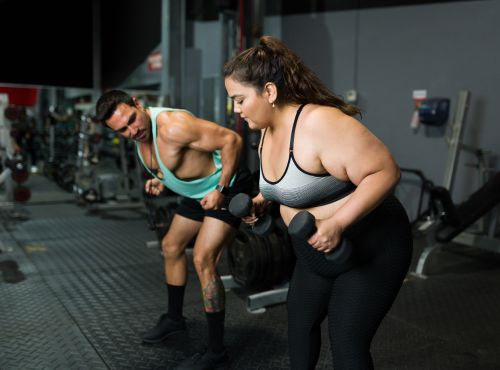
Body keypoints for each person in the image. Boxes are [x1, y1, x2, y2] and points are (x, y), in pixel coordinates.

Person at [223, 36, 413, 370]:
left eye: (239, 99)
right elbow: (287, 183)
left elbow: (385, 171)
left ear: (269, 92)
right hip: (314, 251)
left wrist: (337, 223)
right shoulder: (266, 129)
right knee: (299, 327)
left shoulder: (321, 123)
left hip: (371, 247)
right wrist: (261, 200)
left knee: (347, 343)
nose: (235, 110)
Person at [95, 90, 252, 370]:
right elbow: (176, 163)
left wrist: (221, 189)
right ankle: (174, 320)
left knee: (203, 259)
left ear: (137, 104)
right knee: (170, 246)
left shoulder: (174, 126)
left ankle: (217, 352)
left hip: (224, 189)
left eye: (132, 120)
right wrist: (160, 181)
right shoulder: (138, 134)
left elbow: (232, 140)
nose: (133, 131)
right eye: (123, 130)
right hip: (195, 194)